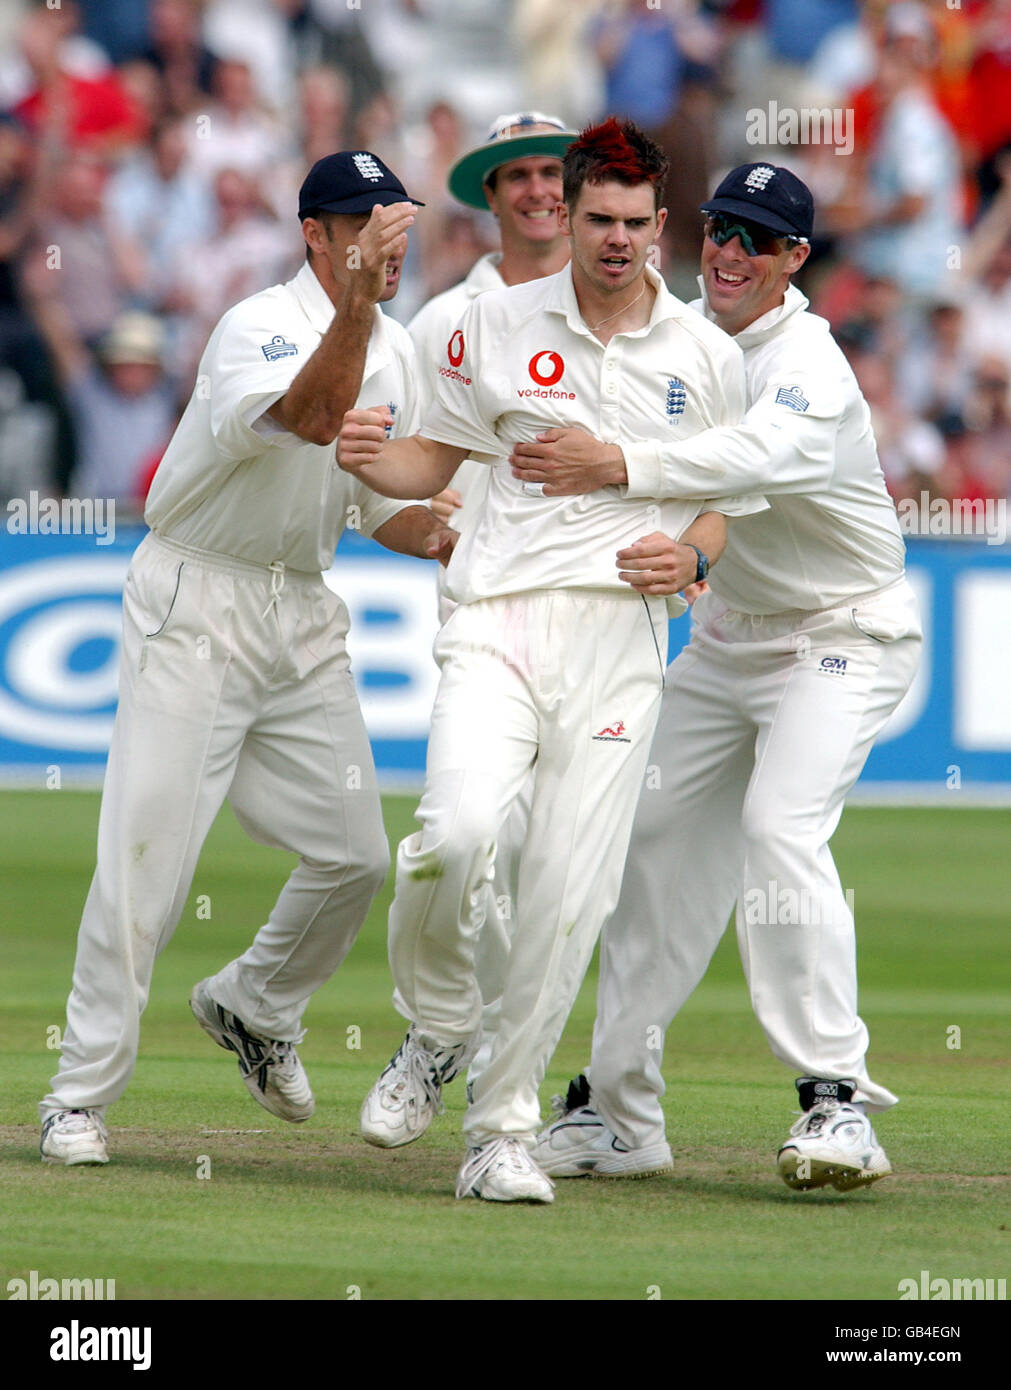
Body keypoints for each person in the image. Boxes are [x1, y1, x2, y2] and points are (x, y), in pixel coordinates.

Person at [338, 118, 764, 1204]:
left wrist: (690, 551)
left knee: (569, 890)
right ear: (567, 218)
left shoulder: (707, 355)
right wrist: (358, 454)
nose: (617, 241)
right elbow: (429, 456)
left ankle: (501, 1129)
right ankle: (440, 1018)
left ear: (661, 224)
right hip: (498, 621)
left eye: (636, 223)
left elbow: (723, 507)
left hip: (621, 637)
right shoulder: (485, 320)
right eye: (598, 220)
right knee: (456, 836)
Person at [39, 150, 456, 1166]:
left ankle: (256, 1004)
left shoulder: (396, 349)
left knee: (358, 854)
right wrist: (355, 305)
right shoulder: (255, 325)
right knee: (147, 865)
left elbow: (372, 503)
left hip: (300, 612)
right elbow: (312, 416)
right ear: (314, 233)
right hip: (197, 600)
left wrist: (445, 531)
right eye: (365, 224)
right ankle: (78, 1097)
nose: (387, 241)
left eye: (398, 220)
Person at [517, 163, 922, 1192]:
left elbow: (747, 462)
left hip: (844, 633)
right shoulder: (687, 339)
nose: (732, 254)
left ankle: (836, 1101)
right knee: (644, 836)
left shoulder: (810, 367)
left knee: (779, 826)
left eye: (758, 239)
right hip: (732, 637)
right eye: (720, 231)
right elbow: (687, 464)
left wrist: (619, 472)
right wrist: (684, 554)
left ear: (795, 259)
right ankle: (620, 1111)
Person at [407, 110, 575, 1093]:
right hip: (484, 607)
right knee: (477, 835)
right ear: (490, 194)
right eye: (517, 176)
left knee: (562, 865)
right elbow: (409, 458)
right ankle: (449, 1034)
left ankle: (521, 1065)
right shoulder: (448, 320)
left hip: (594, 617)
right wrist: (419, 505)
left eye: (553, 171)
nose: (538, 191)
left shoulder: (622, 304)